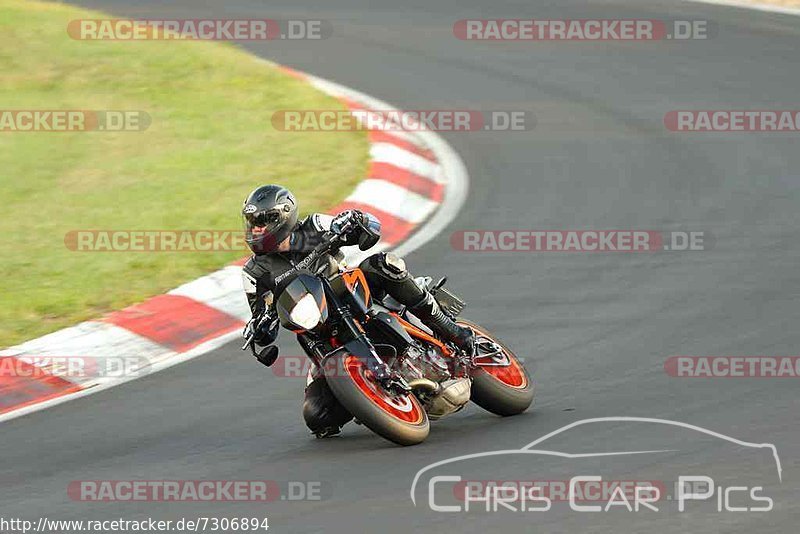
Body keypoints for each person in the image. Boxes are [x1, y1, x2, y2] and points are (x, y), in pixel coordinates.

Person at [240, 184, 473, 437]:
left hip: (352, 292)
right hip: (317, 328)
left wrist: (355, 221)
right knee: (318, 416)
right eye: (252, 223)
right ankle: (370, 393)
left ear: (283, 216)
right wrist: (258, 328)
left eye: (262, 222)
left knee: (383, 264)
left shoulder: (314, 226)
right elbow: (260, 315)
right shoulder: (254, 272)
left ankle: (450, 329)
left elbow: (369, 228)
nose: (256, 229)